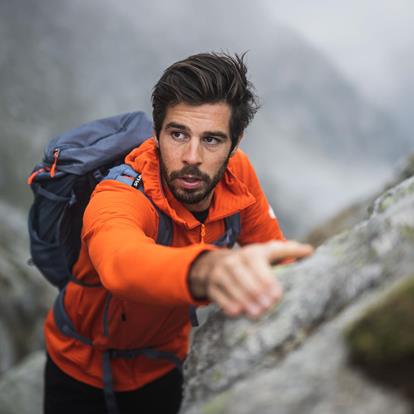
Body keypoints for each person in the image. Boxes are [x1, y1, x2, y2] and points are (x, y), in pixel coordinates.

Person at [43, 52, 313, 414]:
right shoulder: (121, 194)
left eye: (212, 140)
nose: (191, 156)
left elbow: (277, 251)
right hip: (79, 367)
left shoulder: (238, 176)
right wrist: (208, 269)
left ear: (236, 142)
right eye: (178, 134)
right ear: (157, 133)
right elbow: (120, 262)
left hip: (163, 363)